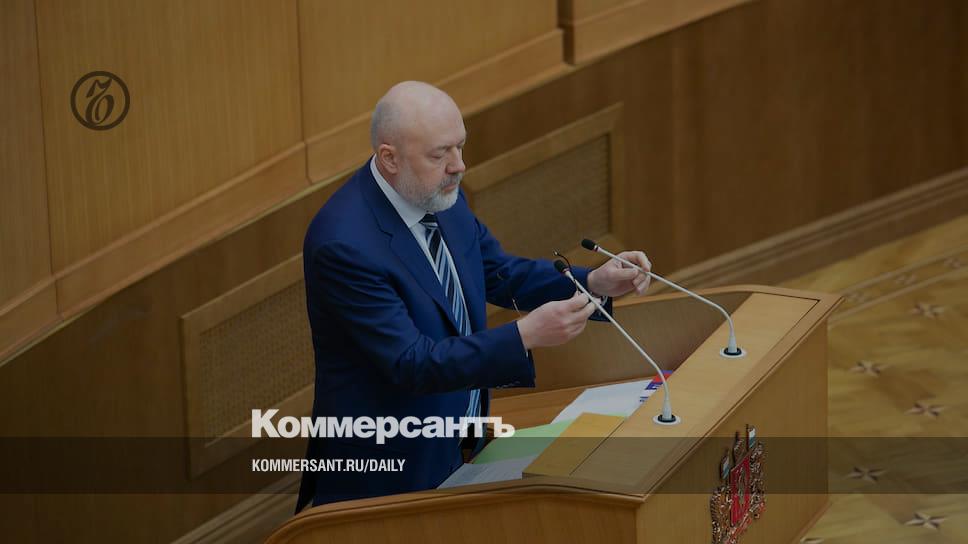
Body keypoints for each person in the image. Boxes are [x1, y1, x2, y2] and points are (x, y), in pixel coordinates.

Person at [296, 81, 651, 510]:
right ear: (389, 158)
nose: (459, 166)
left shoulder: (438, 193)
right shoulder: (344, 244)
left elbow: (498, 272)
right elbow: (413, 363)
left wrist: (592, 282)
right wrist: (523, 335)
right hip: (391, 472)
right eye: (439, 154)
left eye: (460, 146)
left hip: (461, 443)